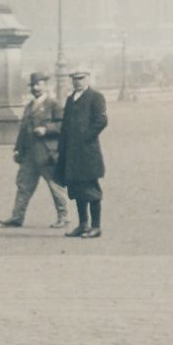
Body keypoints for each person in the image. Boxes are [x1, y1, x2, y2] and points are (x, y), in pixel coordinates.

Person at [0, 73, 70, 228]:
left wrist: (46, 129)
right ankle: (17, 217)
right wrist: (18, 150)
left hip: (47, 154)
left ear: (46, 85)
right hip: (29, 155)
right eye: (33, 85)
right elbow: (23, 132)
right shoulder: (29, 107)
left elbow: (64, 126)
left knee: (55, 186)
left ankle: (63, 217)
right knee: (23, 186)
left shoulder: (54, 105)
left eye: (38, 84)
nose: (35, 88)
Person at [56, 68, 108, 238]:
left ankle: (96, 226)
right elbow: (65, 126)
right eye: (74, 78)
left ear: (88, 78)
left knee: (91, 189)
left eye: (81, 78)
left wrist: (85, 137)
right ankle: (83, 224)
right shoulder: (71, 99)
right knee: (77, 189)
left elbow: (102, 120)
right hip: (71, 153)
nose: (77, 81)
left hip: (87, 152)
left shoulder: (96, 97)